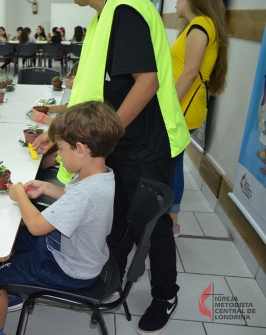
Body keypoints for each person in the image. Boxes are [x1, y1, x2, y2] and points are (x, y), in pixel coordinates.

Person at [32, 1, 190, 334]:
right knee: (116, 216)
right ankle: (109, 279)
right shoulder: (101, 18)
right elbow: (93, 92)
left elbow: (147, 82)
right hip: (117, 141)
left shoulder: (126, 10)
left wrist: (100, 140)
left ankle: (165, 295)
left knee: (151, 226)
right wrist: (59, 132)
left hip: (145, 143)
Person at [0, 101, 124, 335]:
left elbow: (36, 226)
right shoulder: (100, 175)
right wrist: (46, 187)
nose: (58, 158)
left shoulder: (86, 190)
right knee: (13, 239)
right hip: (78, 253)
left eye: (62, 149)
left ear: (81, 149)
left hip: (69, 269)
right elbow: (76, 203)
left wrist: (19, 196)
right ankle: (12, 291)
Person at [169, 0, 228, 236]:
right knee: (173, 164)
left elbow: (190, 72)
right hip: (186, 107)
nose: (175, 3)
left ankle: (171, 224)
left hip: (183, 108)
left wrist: (167, 107)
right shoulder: (199, 25)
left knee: (172, 165)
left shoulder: (201, 25)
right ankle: (170, 221)